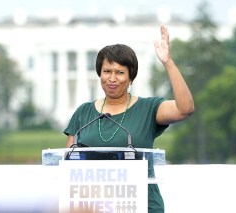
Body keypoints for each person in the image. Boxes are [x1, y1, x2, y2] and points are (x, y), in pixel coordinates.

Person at [64, 25, 194, 213]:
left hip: (142, 206)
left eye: (120, 72)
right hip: (93, 207)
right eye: (107, 71)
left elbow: (185, 108)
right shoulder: (83, 112)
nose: (112, 78)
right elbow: (68, 165)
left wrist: (168, 62)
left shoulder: (148, 108)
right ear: (99, 74)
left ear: (131, 77)